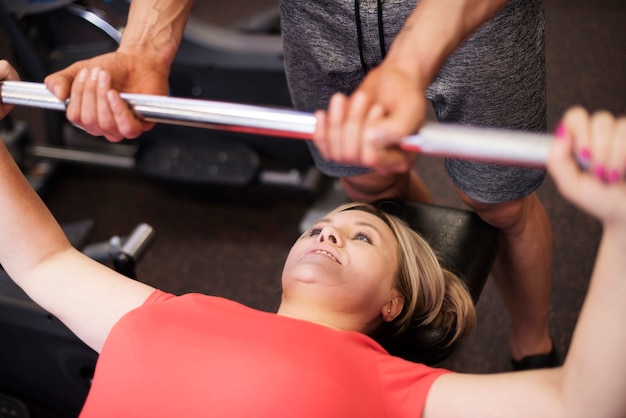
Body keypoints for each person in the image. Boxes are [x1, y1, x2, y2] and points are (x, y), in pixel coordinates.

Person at [3, 60, 626, 417]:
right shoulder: (170, 312)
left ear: (393, 304)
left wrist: (619, 222)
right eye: (327, 226)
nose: (330, 230)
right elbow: (41, 260)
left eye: (361, 237)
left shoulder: (391, 386)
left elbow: (579, 404)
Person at [42, 0, 555, 369]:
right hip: (322, 19)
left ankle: (532, 344)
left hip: (475, 20)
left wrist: (408, 64)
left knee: (499, 201)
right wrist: (145, 51)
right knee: (369, 183)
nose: (328, 236)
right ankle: (415, 285)